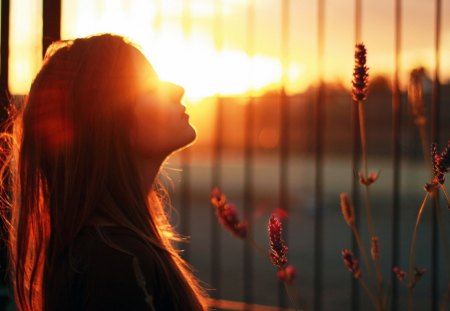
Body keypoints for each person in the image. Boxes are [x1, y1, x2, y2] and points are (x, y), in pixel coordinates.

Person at [0, 34, 208, 310]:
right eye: (149, 87)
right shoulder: (116, 261)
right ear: (109, 123)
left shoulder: (108, 249)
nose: (177, 89)